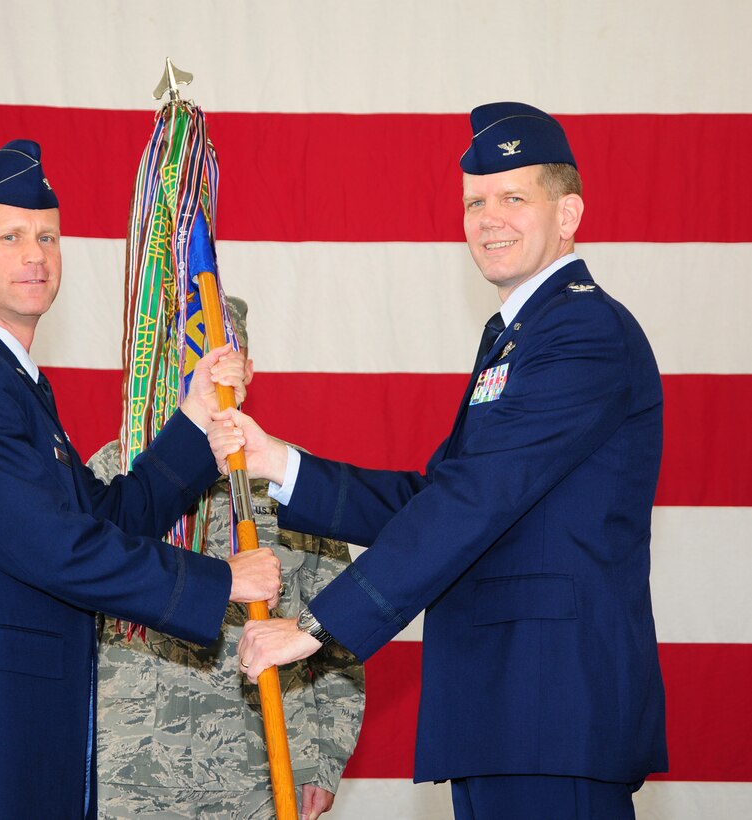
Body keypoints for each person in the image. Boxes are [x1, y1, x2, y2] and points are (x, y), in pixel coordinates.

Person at [222, 103, 668, 819]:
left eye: (514, 197)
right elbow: (445, 497)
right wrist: (280, 462)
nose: (488, 217)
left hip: (550, 709)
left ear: (568, 213)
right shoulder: (522, 332)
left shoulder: (579, 331)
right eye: (474, 201)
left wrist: (313, 628)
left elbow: (471, 503)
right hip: (508, 709)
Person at [0, 140, 281, 820]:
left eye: (48, 237)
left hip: (27, 715)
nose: (35, 255)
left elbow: (105, 520)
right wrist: (221, 582)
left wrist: (194, 418)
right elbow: (51, 545)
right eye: (10, 237)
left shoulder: (9, 381)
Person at [90, 297, 365, 820]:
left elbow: (340, 625)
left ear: (251, 371)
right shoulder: (112, 479)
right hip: (129, 770)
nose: (210, 375)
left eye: (226, 361)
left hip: (259, 768)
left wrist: (325, 757)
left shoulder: (290, 481)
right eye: (193, 361)